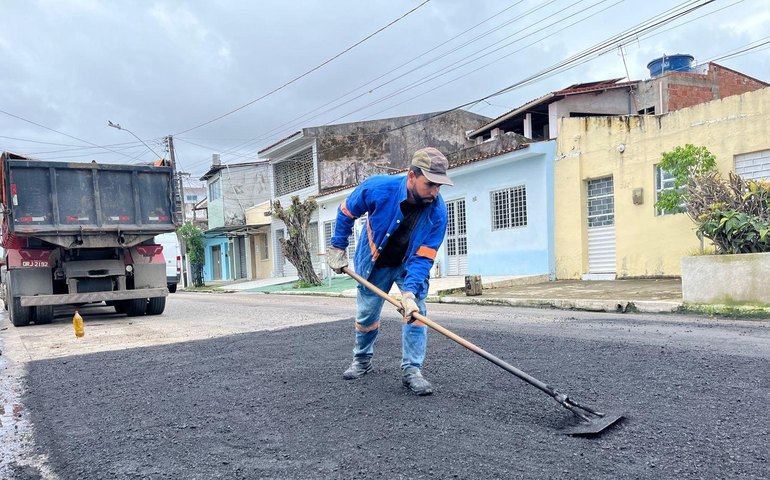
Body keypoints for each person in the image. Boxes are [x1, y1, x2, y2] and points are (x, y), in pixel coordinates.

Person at [326, 147, 452, 396]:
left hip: (409, 265)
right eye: (430, 185)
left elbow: (425, 256)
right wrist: (337, 248)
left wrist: (410, 293)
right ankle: (362, 361)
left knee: (415, 313)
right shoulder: (377, 187)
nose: (435, 192)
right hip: (376, 263)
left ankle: (412, 370)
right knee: (366, 315)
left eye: (440, 186)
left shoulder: (438, 212)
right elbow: (346, 212)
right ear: (411, 176)